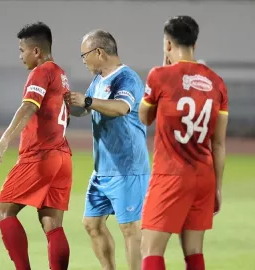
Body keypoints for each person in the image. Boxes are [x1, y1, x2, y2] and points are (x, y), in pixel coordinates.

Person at [138, 15, 229, 270]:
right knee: (194, 251)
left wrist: (160, 72)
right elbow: (219, 143)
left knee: (151, 248)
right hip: (204, 177)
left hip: (171, 174)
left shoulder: (160, 75)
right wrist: (217, 188)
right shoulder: (217, 82)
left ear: (168, 45)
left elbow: (144, 117)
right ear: (194, 45)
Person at [0, 21, 72, 270]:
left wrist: (4, 140)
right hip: (62, 157)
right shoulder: (60, 73)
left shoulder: (41, 72)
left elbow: (28, 106)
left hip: (40, 157)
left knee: (3, 211)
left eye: (22, 50)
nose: (20, 56)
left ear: (36, 50)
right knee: (52, 223)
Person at [66, 30, 150, 270]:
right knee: (91, 224)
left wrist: (88, 101)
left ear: (99, 52)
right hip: (102, 170)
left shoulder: (127, 78)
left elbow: (122, 107)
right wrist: (64, 104)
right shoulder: (99, 79)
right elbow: (85, 109)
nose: (83, 60)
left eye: (84, 55)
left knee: (130, 229)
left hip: (128, 169)